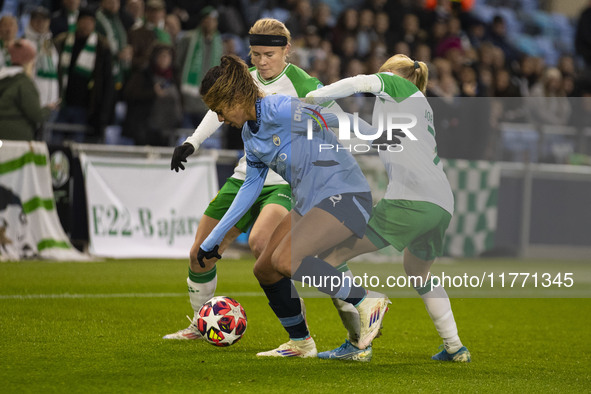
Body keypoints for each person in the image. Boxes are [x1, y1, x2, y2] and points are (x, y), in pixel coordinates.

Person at [166, 19, 377, 361]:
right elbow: (249, 186)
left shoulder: (288, 97)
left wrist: (377, 135)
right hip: (288, 185)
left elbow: (331, 117)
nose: (261, 61)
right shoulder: (247, 118)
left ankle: (364, 305)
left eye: (269, 54)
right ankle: (302, 342)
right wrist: (210, 242)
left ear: (285, 51)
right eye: (256, 54)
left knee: (282, 256)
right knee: (261, 265)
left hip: (325, 189)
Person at [305, 54, 471, 362]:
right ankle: (455, 347)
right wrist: (326, 114)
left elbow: (360, 82)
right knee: (418, 273)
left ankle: (358, 344)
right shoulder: (408, 107)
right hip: (440, 202)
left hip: (411, 199)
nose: (377, 77)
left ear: (393, 72)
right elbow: (363, 135)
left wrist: (318, 94)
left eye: (382, 72)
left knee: (330, 257)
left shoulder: (398, 85)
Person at [54, 7, 114, 143]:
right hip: (61, 102)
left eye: (90, 21)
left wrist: (102, 112)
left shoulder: (101, 46)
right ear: (78, 21)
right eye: (84, 21)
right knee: (55, 142)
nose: (87, 24)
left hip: (85, 107)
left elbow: (106, 80)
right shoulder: (62, 41)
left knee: (77, 146)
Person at [0, 39, 53, 141]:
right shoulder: (23, 83)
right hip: (17, 139)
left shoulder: (3, 79)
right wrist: (48, 110)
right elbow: (36, 114)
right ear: (27, 62)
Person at [24, 7, 60, 108]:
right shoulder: (23, 43)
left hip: (51, 102)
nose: (40, 22)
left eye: (44, 19)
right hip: (30, 102)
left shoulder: (50, 43)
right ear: (30, 21)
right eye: (37, 19)